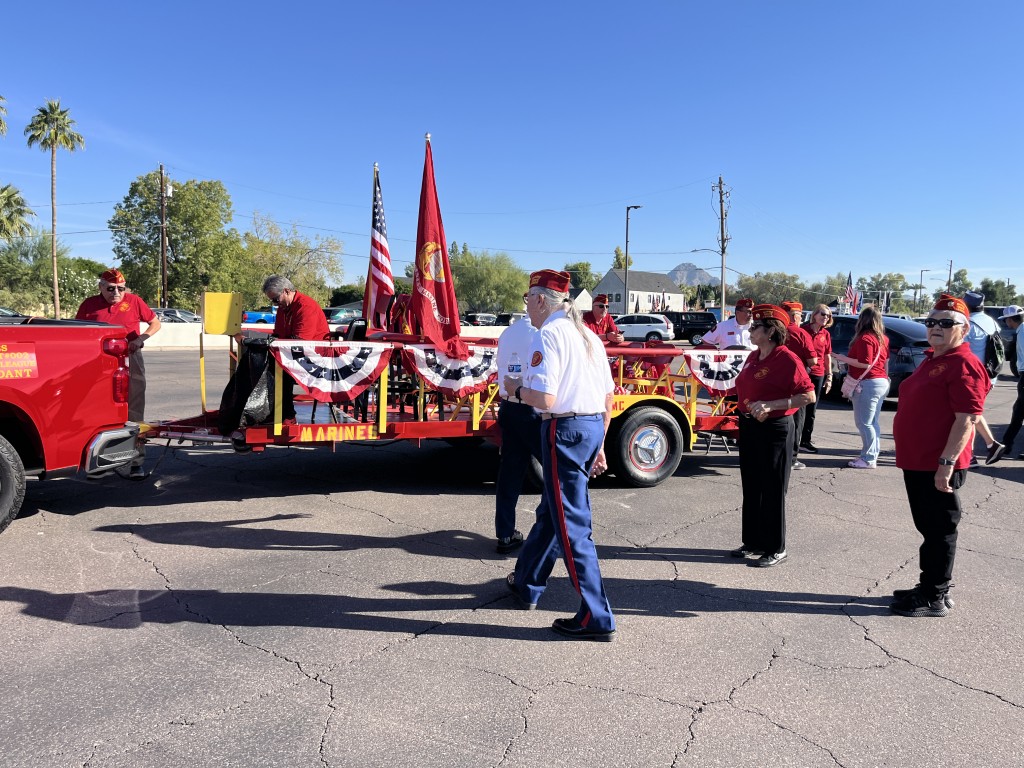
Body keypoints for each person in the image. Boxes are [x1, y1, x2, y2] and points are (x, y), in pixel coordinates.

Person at [504, 269, 617, 641]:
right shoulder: (587, 335)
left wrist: (517, 390)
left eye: (528, 300)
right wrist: (600, 444)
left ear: (540, 300)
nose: (528, 308)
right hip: (588, 428)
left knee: (571, 525)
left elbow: (546, 398)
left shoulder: (549, 333)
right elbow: (607, 397)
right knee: (555, 511)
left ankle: (596, 616)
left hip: (563, 429)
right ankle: (527, 582)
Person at [891, 295, 991, 617]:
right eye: (931, 321)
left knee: (940, 530)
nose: (935, 327)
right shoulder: (935, 358)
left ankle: (935, 595)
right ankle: (928, 585)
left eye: (945, 323)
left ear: (963, 329)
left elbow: (967, 418)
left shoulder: (965, 364)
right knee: (929, 529)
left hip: (938, 465)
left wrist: (945, 464)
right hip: (918, 460)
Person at [731, 304, 815, 567]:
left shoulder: (787, 358)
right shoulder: (754, 356)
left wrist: (772, 405)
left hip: (775, 428)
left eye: (756, 326)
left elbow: (808, 395)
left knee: (773, 487)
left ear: (770, 332)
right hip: (750, 426)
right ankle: (753, 541)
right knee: (752, 484)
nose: (751, 329)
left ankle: (776, 547)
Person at [76, 268, 162, 480]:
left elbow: (155, 323)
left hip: (130, 360)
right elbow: (78, 330)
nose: (116, 292)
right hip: (99, 363)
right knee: (99, 412)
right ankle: (101, 464)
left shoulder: (134, 301)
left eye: (121, 288)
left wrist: (141, 339)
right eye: (111, 288)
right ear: (101, 287)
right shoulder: (89, 305)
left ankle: (135, 463)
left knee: (133, 413)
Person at [233, 275, 330, 423]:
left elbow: (300, 342)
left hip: (315, 357)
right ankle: (264, 410)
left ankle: (287, 415)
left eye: (276, 300)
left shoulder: (306, 306)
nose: (275, 304)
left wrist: (258, 342)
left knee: (277, 368)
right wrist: (252, 339)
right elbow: (277, 336)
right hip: (295, 353)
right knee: (257, 361)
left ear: (286, 291)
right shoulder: (284, 308)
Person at [493, 311, 540, 554]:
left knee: (509, 473)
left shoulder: (507, 332)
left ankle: (505, 534)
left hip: (509, 407)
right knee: (556, 473)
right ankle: (555, 534)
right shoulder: (539, 333)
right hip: (532, 407)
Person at [833, 305, 890, 468]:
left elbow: (865, 363)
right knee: (872, 422)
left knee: (864, 422)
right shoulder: (883, 338)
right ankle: (871, 455)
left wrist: (841, 357)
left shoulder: (865, 338)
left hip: (868, 382)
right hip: (880, 381)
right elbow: (885, 362)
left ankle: (868, 458)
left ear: (862, 320)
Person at [961, 291, 1005, 464]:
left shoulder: (968, 324)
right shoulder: (990, 321)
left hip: (973, 377)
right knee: (971, 413)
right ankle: (990, 445)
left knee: (965, 416)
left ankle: (971, 455)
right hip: (989, 376)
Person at [780, 301, 818, 469]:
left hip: (774, 381)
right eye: (800, 315)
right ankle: (792, 458)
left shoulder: (773, 332)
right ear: (794, 316)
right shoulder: (801, 333)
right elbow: (813, 360)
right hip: (796, 383)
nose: (801, 318)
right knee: (796, 421)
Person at [799, 304, 834, 453]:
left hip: (818, 373)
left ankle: (805, 440)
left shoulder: (825, 334)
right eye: (823, 314)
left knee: (811, 408)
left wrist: (829, 375)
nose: (826, 317)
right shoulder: (803, 330)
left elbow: (827, 355)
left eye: (828, 316)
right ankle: (795, 438)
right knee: (799, 407)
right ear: (814, 315)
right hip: (802, 373)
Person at [997, 305, 1024, 459]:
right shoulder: (1021, 331)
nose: (1006, 322)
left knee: (1018, 412)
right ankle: (1006, 444)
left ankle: (1006, 445)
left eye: (1006, 319)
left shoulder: (1022, 332)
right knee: (1018, 412)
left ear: (1010, 319)